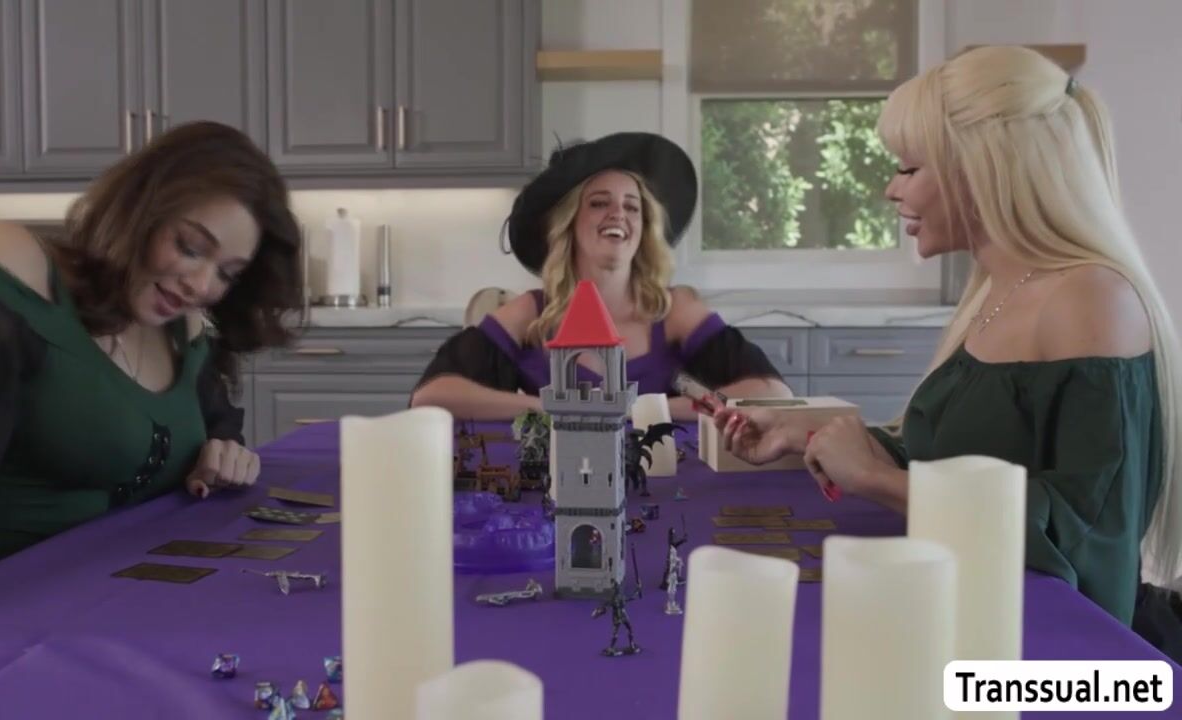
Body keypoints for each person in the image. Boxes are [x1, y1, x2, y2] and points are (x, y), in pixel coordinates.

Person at [715, 45, 1182, 656]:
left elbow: (1078, 536)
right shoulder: (996, 290)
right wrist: (807, 435)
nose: (891, 189)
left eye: (910, 168)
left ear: (985, 168)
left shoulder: (1091, 301)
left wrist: (877, 479)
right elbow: (953, 461)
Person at [0, 120, 304, 599]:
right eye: (190, 247)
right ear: (139, 209)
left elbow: (216, 426)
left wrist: (225, 453)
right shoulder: (17, 264)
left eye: (228, 274)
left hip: (124, 605)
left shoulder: (184, 332)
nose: (201, 285)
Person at [410, 132, 790, 420]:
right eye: (598, 203)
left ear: (644, 228)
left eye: (632, 207)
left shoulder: (674, 311)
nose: (618, 214)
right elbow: (431, 397)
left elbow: (773, 394)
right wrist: (553, 409)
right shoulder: (530, 313)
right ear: (569, 224)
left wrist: (639, 412)